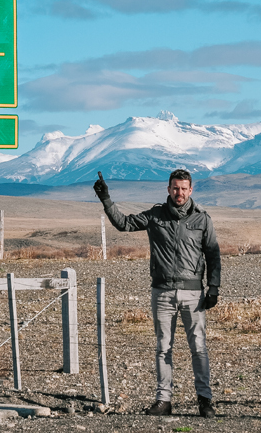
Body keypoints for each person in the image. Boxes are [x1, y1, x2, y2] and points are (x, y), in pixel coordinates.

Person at [93, 169, 221, 418]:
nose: (179, 193)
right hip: (162, 292)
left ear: (191, 190)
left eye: (184, 188)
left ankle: (205, 401)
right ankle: (164, 401)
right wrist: (106, 199)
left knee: (199, 347)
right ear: (168, 189)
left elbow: (213, 254)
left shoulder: (202, 220)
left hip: (193, 294)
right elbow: (124, 224)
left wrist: (213, 287)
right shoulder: (155, 215)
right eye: (175, 188)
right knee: (163, 347)